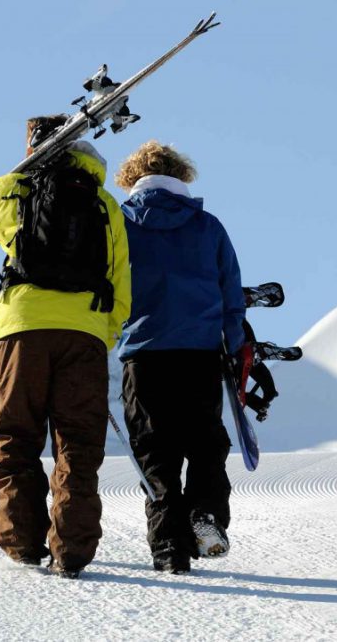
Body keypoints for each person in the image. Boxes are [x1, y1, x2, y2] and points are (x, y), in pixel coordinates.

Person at [0, 115, 132, 579]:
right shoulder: (104, 203)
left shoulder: (11, 189)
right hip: (85, 332)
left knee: (18, 435)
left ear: (33, 145)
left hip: (22, 330)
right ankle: (71, 550)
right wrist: (102, 333)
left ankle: (21, 544)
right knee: (77, 443)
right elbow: (120, 280)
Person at [115, 140, 249, 574]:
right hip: (200, 355)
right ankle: (206, 513)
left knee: (156, 453)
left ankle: (169, 547)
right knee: (206, 444)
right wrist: (233, 347)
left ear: (132, 179)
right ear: (181, 176)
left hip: (144, 354)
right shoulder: (208, 227)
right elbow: (232, 297)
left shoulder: (118, 224)